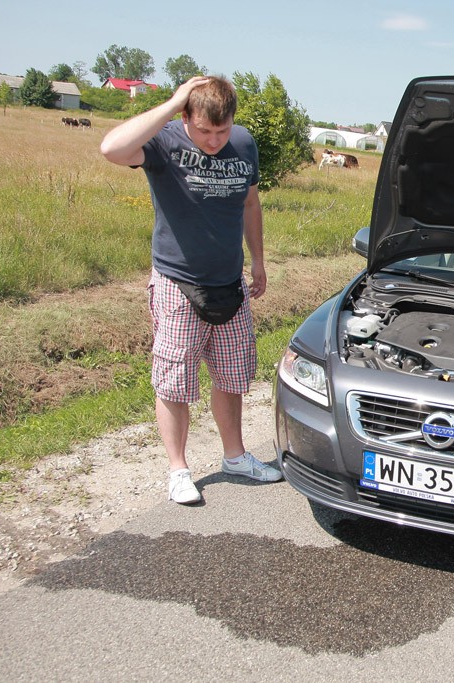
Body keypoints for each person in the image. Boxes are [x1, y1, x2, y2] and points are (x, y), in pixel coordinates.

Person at [100, 75, 282, 505]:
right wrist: (171, 102)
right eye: (204, 130)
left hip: (230, 282)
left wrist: (257, 260)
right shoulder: (163, 142)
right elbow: (111, 148)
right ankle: (178, 468)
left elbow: (250, 203)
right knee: (174, 380)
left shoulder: (244, 143)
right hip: (177, 283)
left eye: (222, 130)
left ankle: (234, 456)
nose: (214, 140)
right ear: (186, 116)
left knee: (233, 375)